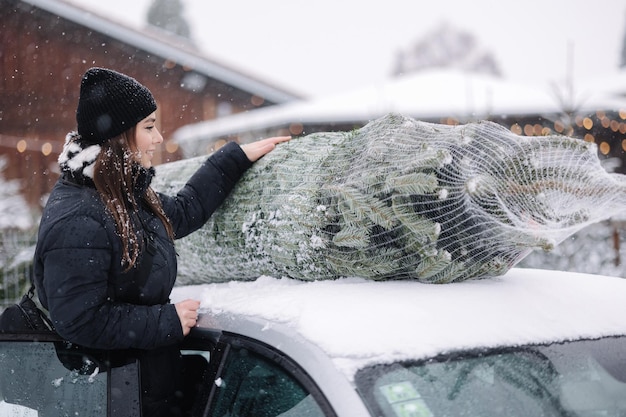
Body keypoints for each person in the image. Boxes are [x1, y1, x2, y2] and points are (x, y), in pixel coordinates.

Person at [32, 67, 290, 416]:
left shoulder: (121, 193)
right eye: (149, 127)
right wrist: (165, 322)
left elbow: (182, 212)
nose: (158, 139)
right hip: (109, 399)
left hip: (140, 388)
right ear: (120, 135)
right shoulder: (79, 217)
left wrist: (235, 159)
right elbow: (79, 319)